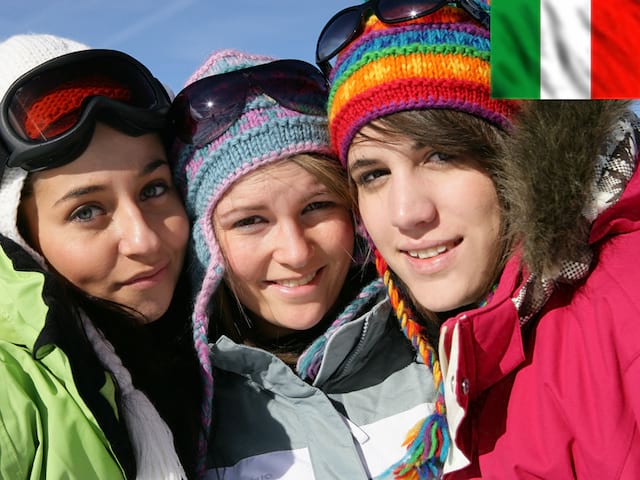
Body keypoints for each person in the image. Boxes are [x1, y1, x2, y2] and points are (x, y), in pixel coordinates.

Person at [321, 1, 640, 479]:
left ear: (521, 160)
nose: (408, 213)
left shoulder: (623, 300)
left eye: (442, 156)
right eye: (373, 174)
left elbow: (614, 31)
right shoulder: (460, 339)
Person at [170, 48, 437, 479]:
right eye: (251, 221)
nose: (295, 252)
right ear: (204, 248)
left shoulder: (443, 341)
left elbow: (582, 42)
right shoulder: (176, 420)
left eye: (316, 206)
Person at [0, 34, 201, 479]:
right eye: (86, 211)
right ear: (20, 237)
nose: (143, 240)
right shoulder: (10, 390)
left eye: (153, 189)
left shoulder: (219, 353)